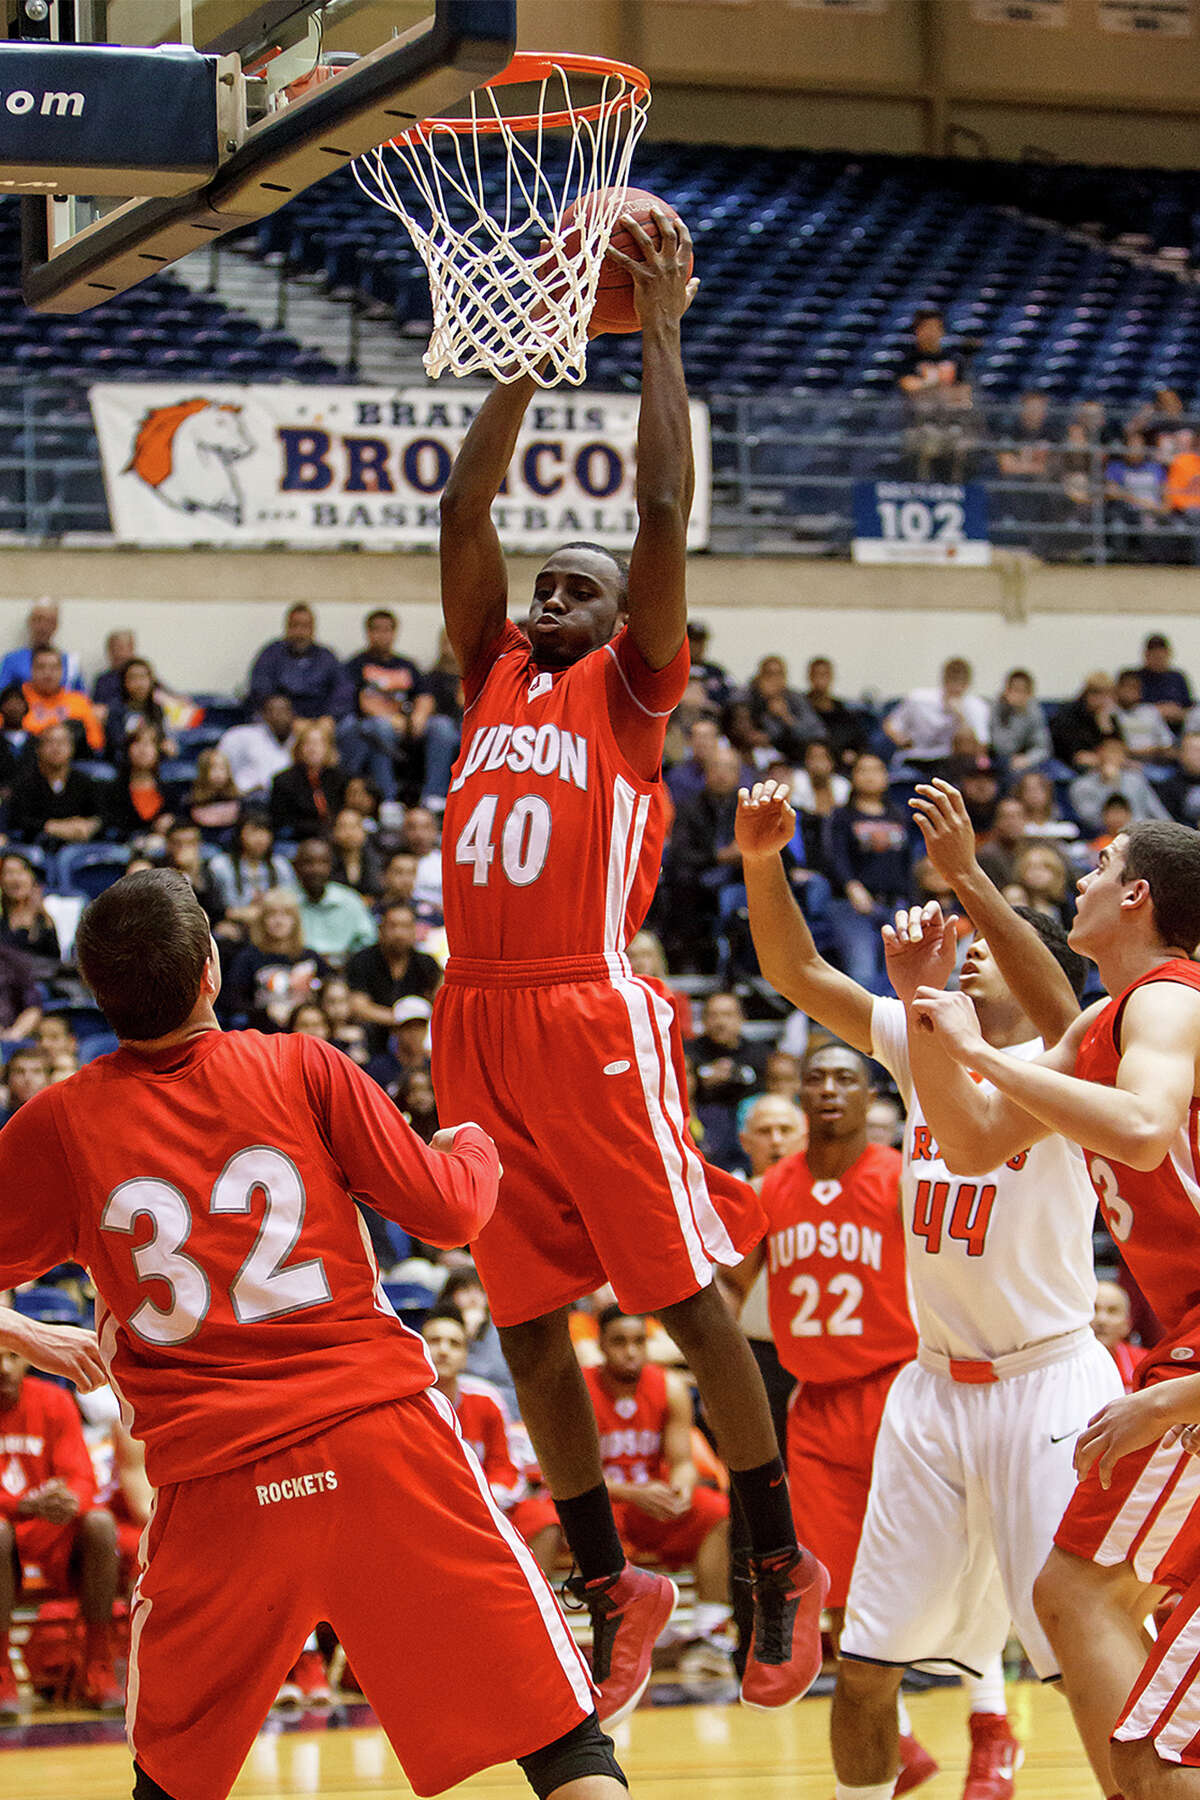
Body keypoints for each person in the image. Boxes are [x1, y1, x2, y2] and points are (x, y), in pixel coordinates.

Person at [433, 205, 824, 1721]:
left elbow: (662, 514)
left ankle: (774, 1554)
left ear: (625, 625)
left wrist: (654, 333)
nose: (550, 595)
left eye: (576, 589)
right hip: (475, 1026)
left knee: (682, 1301)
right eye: (546, 585)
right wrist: (531, 354)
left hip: (590, 1013)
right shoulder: (489, 675)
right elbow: (467, 512)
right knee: (524, 1323)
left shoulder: (628, 697)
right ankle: (611, 1578)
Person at [0, 872, 628, 1799]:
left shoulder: (60, 1122)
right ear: (212, 970)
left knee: (168, 1781)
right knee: (560, 1737)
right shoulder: (302, 1064)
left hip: (216, 1481)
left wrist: (27, 1334)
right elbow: (452, 1215)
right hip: (377, 1437)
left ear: (95, 995)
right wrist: (478, 1143)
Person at [735, 775, 1120, 1800]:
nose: (979, 947)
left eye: (1001, 940)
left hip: (1049, 1384)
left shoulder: (1066, 1060)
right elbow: (793, 966)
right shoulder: (921, 1042)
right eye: (975, 937)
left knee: (1087, 1652)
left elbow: (1066, 1003)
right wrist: (762, 861)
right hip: (934, 1387)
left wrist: (969, 877)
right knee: (865, 1662)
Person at [903, 815, 1200, 1800]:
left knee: (1085, 1601)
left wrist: (984, 1055)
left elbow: (1148, 1133)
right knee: (1082, 1600)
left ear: (1138, 896)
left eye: (1101, 865)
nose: (1083, 876)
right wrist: (929, 1020)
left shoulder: (1169, 1001)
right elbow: (977, 1143)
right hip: (1183, 1343)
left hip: (1193, 1350)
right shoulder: (1100, 1022)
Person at [723, 1044, 935, 1795]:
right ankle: (896, 1737)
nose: (829, 1089)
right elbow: (730, 1294)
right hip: (812, 1403)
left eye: (846, 1077)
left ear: (871, 1094)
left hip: (897, 1387)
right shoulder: (769, 1190)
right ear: (798, 1093)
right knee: (836, 1589)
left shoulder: (900, 1179)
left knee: (911, 1573)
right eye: (816, 1077)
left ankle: (983, 1711)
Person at [584, 1307, 732, 1660]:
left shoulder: (669, 1386)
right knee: (570, 1519)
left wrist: (680, 1489)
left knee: (714, 1511)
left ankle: (709, 1628)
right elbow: (572, 1479)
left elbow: (682, 1462)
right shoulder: (579, 1389)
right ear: (601, 1345)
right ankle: (615, 1627)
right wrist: (633, 1493)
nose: (630, 1351)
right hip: (601, 1505)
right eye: (619, 1342)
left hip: (648, 1502)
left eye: (638, 1341)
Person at [0, 1348, 123, 1716]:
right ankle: (2, 1670)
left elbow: (82, 1476)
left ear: (26, 1360)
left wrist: (69, 1500)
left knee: (100, 1524)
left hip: (50, 1530)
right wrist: (21, 1505)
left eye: (10, 1356)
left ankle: (98, 1662)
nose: (3, 1367)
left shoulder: (53, 1399)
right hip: (6, 1533)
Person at [421, 1309, 562, 1575]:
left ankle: (531, 1607)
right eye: (435, 1341)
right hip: (431, 1512)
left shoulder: (486, 1398)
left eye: (454, 1343)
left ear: (465, 1355)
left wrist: (481, 1503)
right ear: (420, 1348)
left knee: (543, 1518)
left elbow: (506, 1469)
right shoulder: (407, 1403)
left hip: (487, 1508)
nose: (443, 1350)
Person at [346, 901, 441, 1057]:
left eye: (405, 927)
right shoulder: (362, 961)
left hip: (418, 1034)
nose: (399, 933)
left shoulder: (426, 963)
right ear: (381, 929)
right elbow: (359, 1007)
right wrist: (403, 1019)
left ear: (414, 930)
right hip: (374, 1034)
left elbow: (438, 1002)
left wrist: (414, 1024)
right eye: (393, 926)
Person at [883, 657, 990, 772]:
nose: (956, 686)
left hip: (950, 760)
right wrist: (904, 741)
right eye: (952, 679)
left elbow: (980, 749)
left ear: (968, 683)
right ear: (944, 679)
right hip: (915, 757)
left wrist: (961, 717)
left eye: (961, 681)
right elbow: (890, 725)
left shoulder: (977, 706)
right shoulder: (918, 699)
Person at [247, 604, 348, 723]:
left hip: (320, 721)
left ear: (313, 629)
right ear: (286, 628)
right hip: (281, 722)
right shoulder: (271, 654)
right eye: (295, 626)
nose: (299, 632)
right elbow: (261, 690)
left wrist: (328, 718)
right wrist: (292, 720)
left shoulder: (326, 657)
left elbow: (343, 690)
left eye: (305, 626)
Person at [292, 837, 376, 962]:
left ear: (331, 866)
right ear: (296, 867)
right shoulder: (286, 902)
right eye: (308, 863)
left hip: (342, 970)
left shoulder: (350, 900)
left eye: (323, 863)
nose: (316, 869)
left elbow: (369, 942)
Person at [268, 722, 348, 839]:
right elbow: (283, 823)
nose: (313, 749)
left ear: (328, 748)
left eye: (318, 744)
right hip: (299, 839)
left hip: (335, 836)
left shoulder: (340, 778)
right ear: (299, 748)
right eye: (308, 743)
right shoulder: (283, 780)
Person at [22, 647, 104, 756]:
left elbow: (96, 743)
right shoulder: (17, 700)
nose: (47, 673)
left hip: (75, 761)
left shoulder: (79, 700)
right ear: (32, 670)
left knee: (103, 772)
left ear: (62, 671)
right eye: (41, 667)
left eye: (54, 668)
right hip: (28, 760)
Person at [219, 694, 295, 800]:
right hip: (246, 798)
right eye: (273, 711)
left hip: (283, 800)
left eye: (284, 711)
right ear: (263, 715)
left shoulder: (299, 742)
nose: (279, 716)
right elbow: (221, 769)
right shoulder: (240, 736)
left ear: (292, 714)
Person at [0, 599, 83, 694]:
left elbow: (81, 698)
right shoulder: (12, 660)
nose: (43, 626)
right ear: (30, 622)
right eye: (38, 619)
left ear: (56, 625)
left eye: (49, 621)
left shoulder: (70, 662)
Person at [989, 669, 1051, 773]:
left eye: (1022, 691)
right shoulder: (998, 708)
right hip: (999, 757)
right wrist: (1015, 714)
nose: (1017, 695)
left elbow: (1043, 747)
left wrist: (1028, 759)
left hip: (1025, 757)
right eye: (1014, 690)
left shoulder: (1034, 711)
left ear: (1030, 693)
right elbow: (1001, 747)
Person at [1093, 1278, 1146, 1392]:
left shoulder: (1144, 1365)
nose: (1101, 1320)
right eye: (1094, 1309)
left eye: (1112, 1311)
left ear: (1127, 1324)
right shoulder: (1063, 1364)